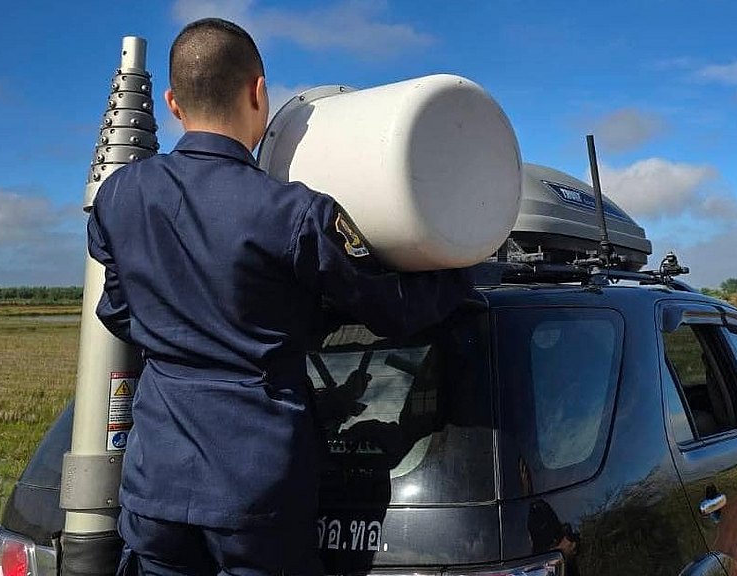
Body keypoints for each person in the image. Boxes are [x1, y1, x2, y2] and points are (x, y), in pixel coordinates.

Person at [87, 18, 473, 576]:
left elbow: (117, 310)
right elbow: (392, 310)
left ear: (173, 103)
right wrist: (463, 271)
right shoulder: (294, 214)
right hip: (256, 489)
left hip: (155, 487)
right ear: (259, 93)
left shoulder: (119, 195)